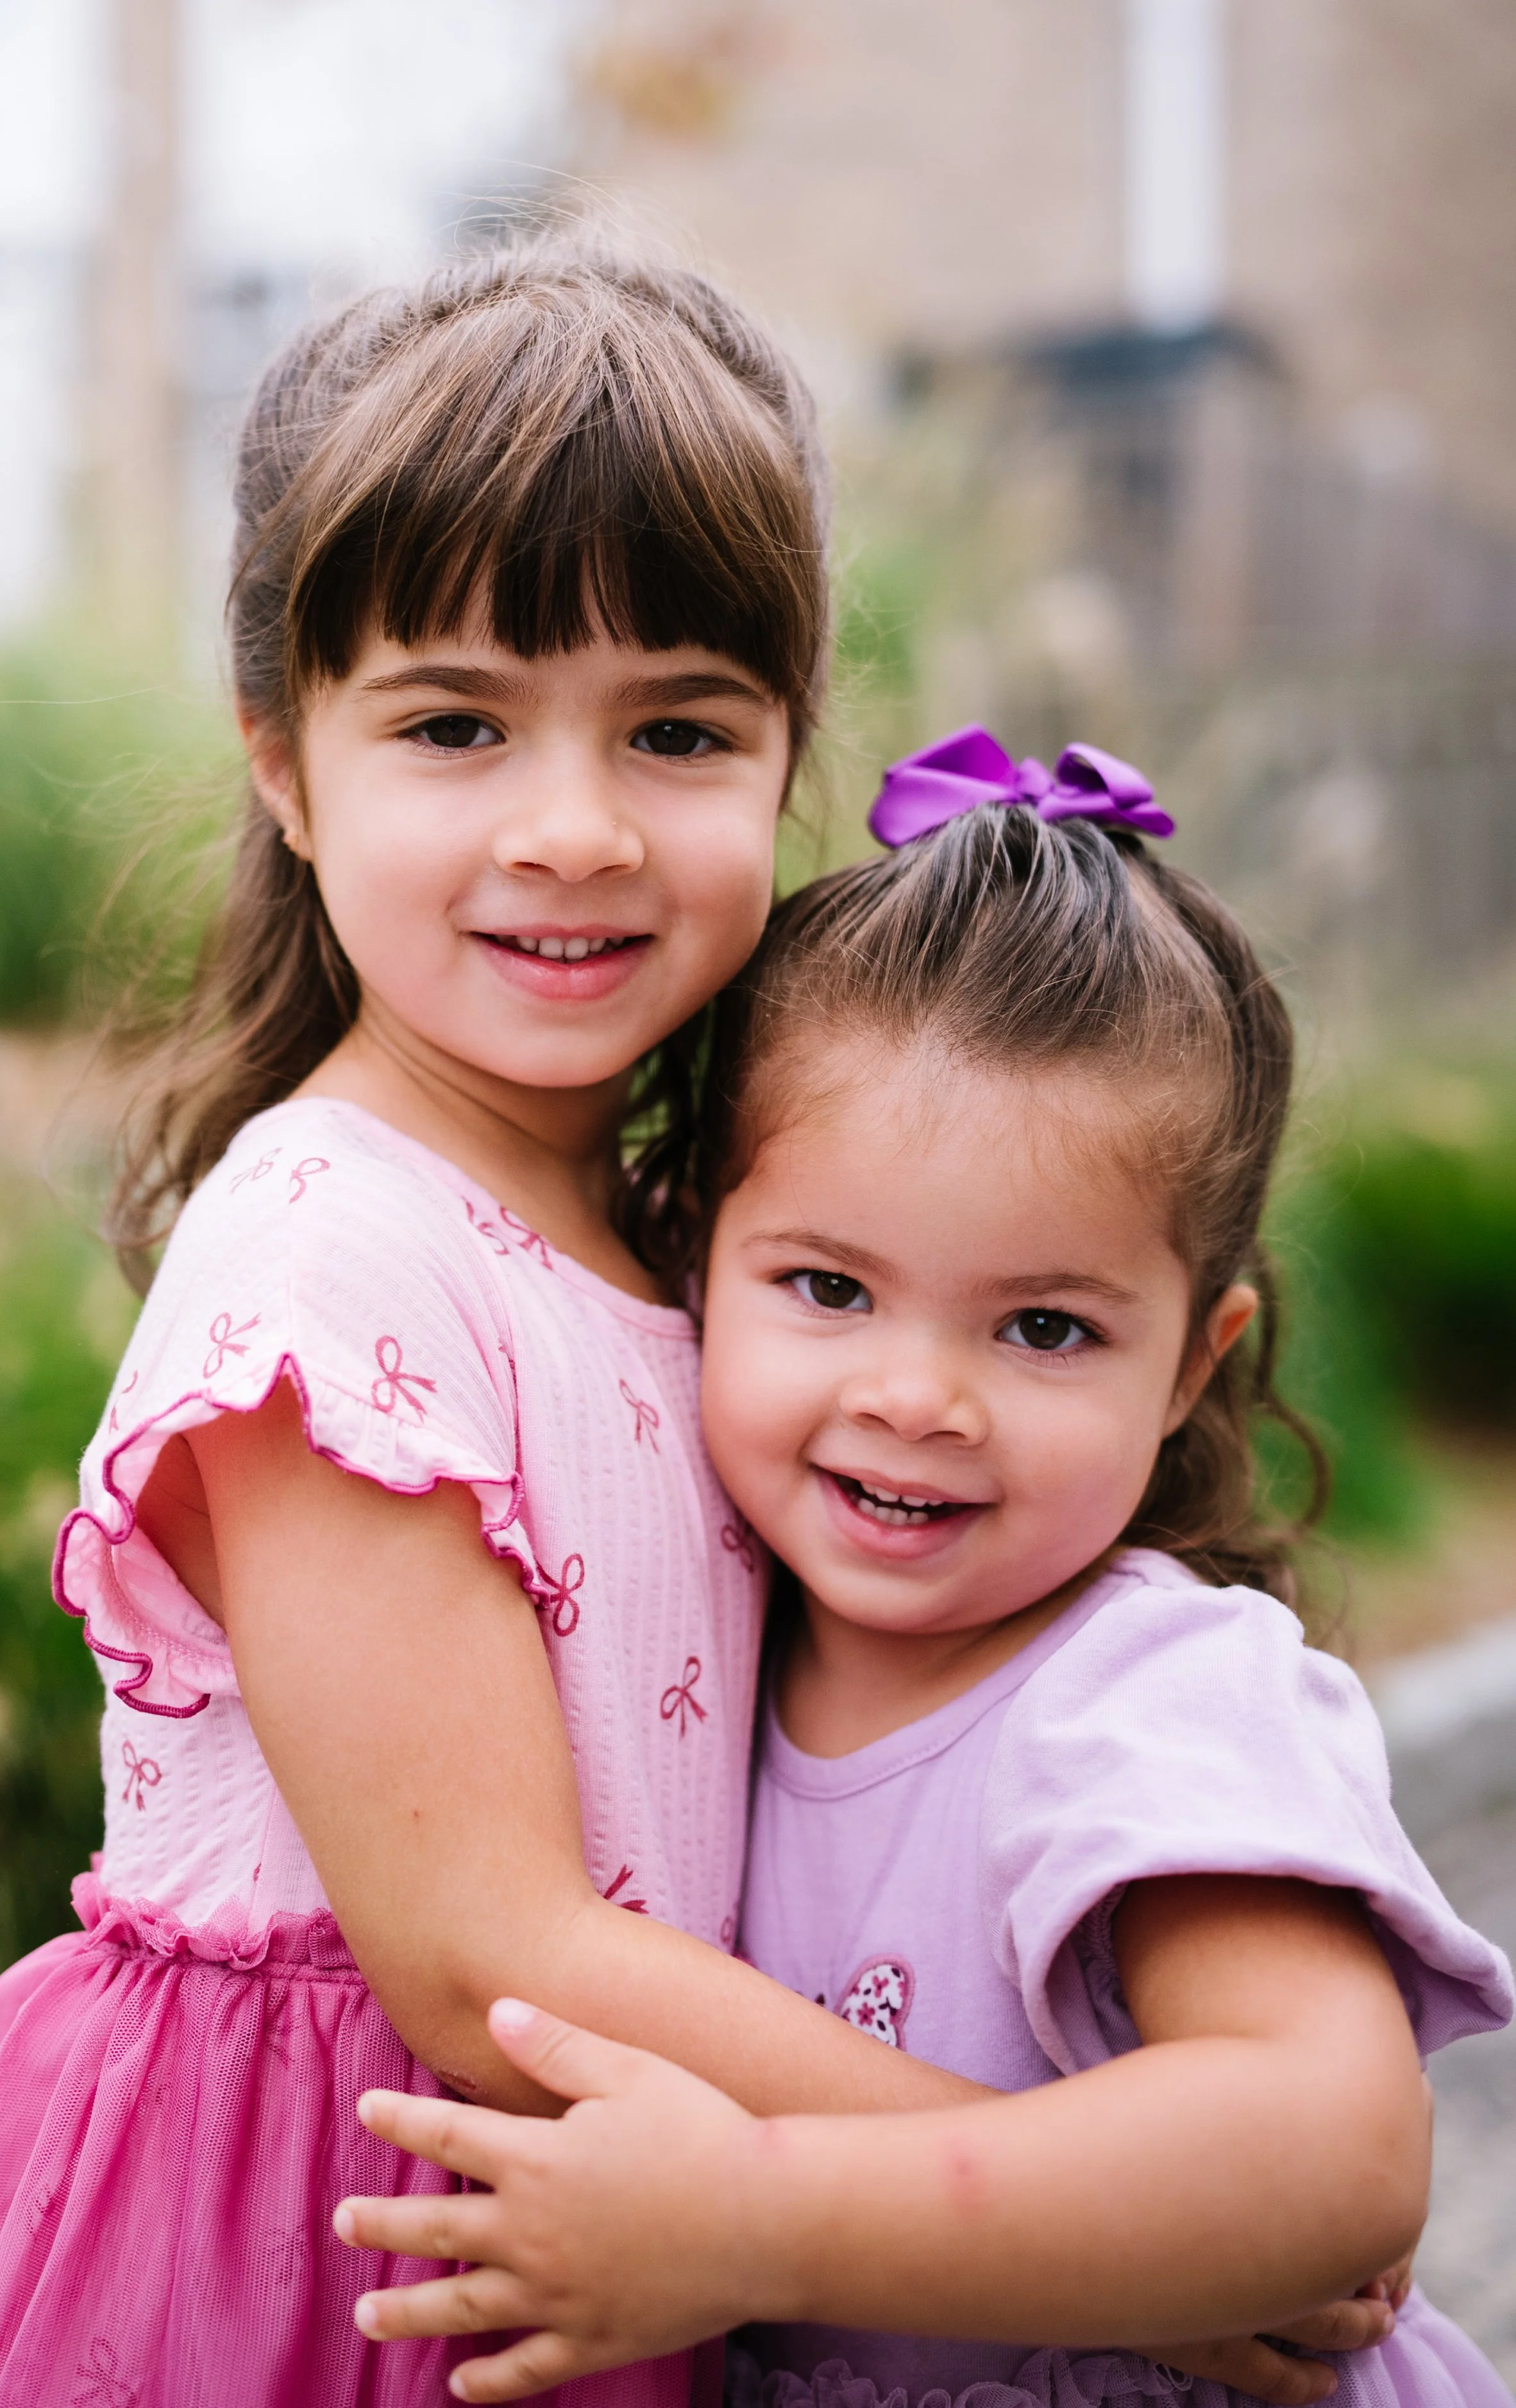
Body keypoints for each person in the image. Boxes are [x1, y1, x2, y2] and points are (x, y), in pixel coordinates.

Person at [0, 243, 991, 2408]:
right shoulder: (331, 1255)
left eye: (676, 728)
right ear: (288, 770)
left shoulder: (692, 1228)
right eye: (452, 726)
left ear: (786, 763)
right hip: (333, 2241)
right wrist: (1055, 2201)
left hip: (594, 2199)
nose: (571, 828)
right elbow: (485, 1946)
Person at [332, 728, 1515, 2408]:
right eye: (825, 1289)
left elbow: (1333, 2159)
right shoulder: (699, 1643)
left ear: (1191, 1361)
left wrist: (761, 2222)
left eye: (1042, 1327)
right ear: (692, 1250)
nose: (915, 1397)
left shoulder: (1141, 1701)